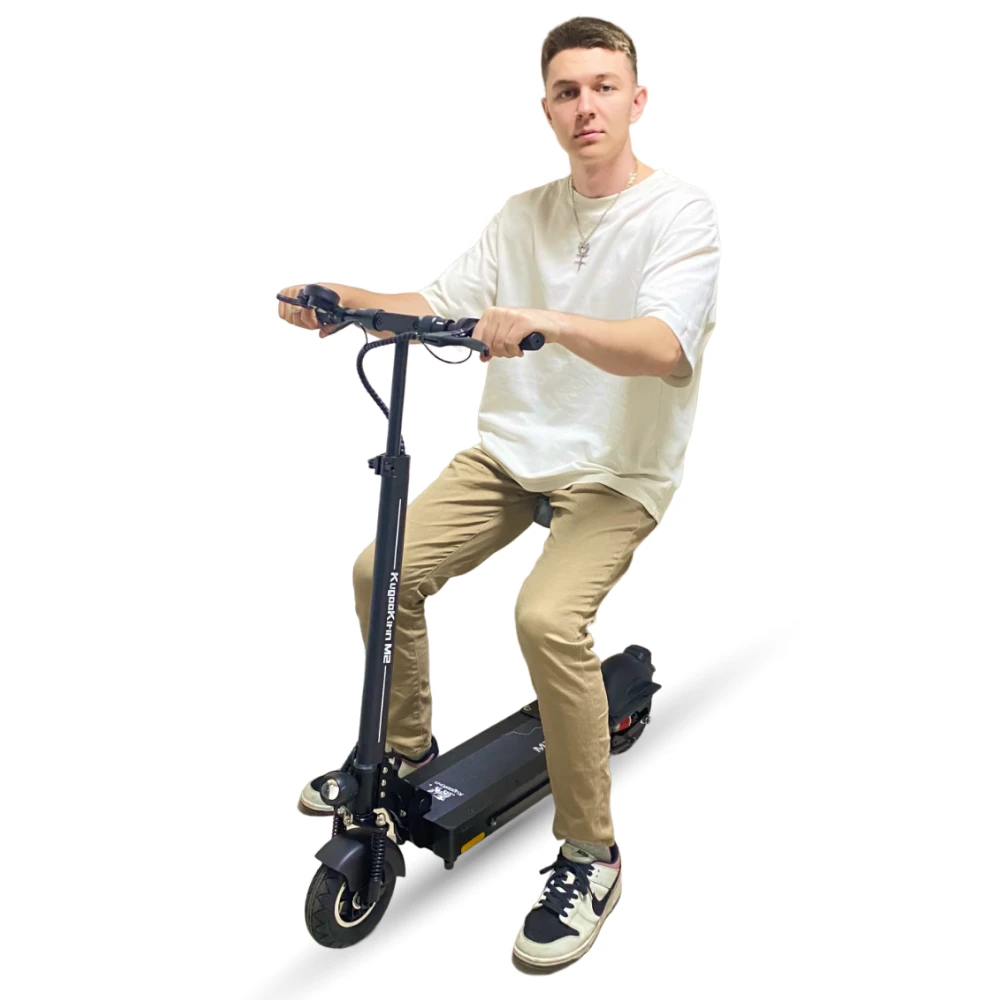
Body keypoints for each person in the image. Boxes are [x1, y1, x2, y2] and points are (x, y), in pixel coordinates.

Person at [278, 15, 720, 970]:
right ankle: (403, 754)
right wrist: (342, 301)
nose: (586, 105)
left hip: (617, 470)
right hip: (513, 456)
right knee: (381, 570)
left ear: (636, 100)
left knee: (547, 618)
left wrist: (548, 323)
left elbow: (662, 346)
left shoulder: (681, 214)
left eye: (603, 87)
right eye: (567, 91)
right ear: (548, 109)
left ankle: (592, 855)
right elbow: (436, 302)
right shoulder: (523, 215)